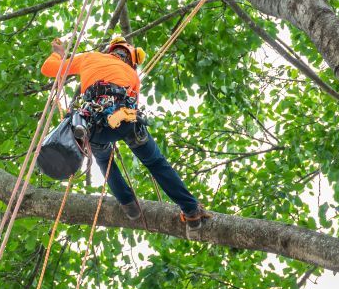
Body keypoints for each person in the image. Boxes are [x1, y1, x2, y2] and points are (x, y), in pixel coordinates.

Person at [40, 37, 211, 230]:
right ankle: (191, 211)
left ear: (111, 50)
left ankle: (128, 205)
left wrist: (59, 54)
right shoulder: (132, 74)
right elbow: (133, 103)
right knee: (156, 163)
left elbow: (48, 69)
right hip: (125, 122)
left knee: (106, 161)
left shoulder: (91, 58)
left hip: (94, 127)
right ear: (131, 59)